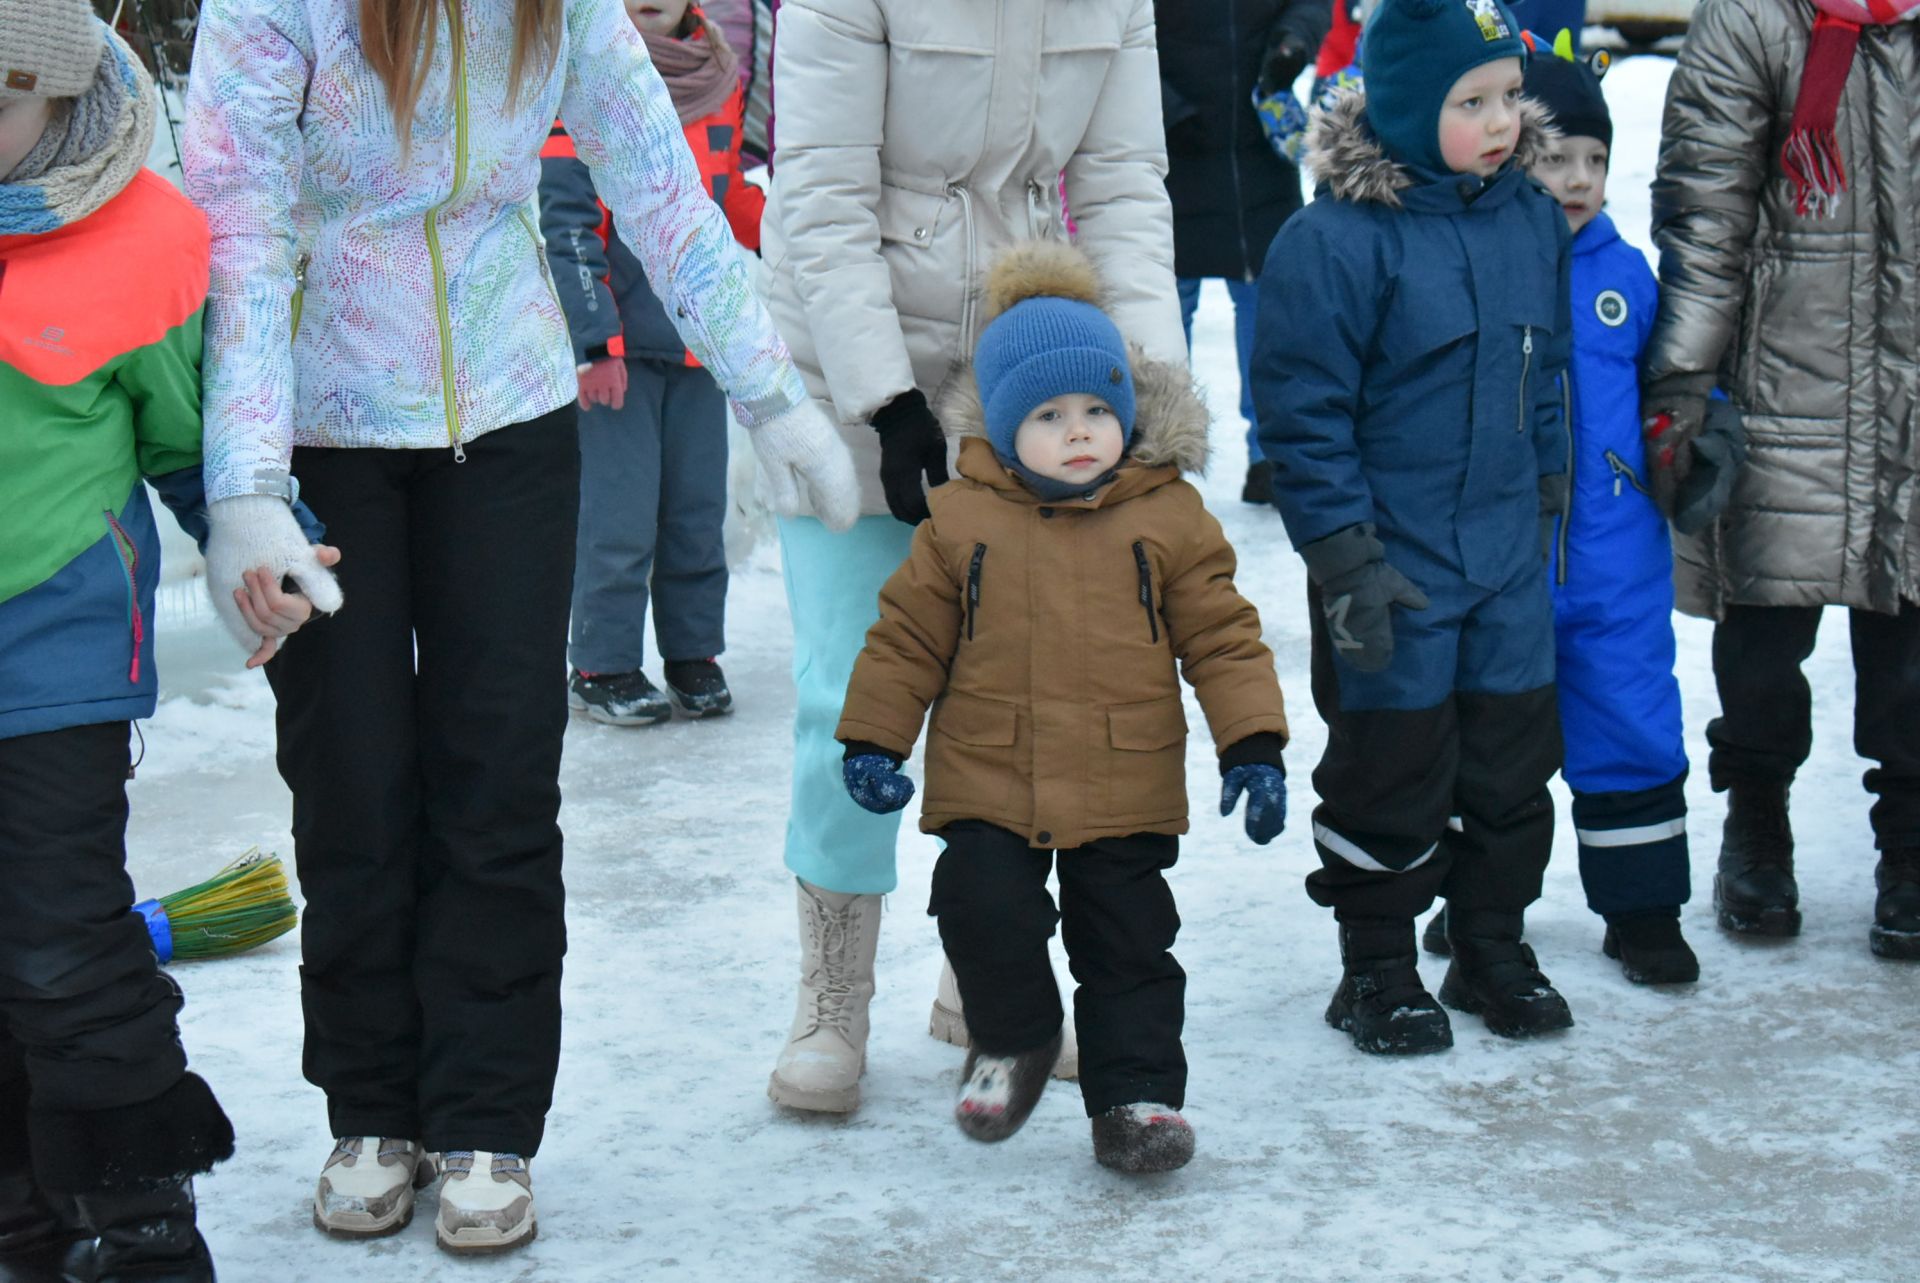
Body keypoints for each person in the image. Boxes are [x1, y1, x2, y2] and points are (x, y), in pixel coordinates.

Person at [182, 0, 858, 1254]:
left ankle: (488, 1113)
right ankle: (373, 1108)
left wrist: (772, 395)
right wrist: (245, 486)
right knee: (354, 776)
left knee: (497, 769)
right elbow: (241, 227)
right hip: (324, 428)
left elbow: (661, 194)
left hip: (509, 411)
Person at [760, 0, 1185, 1116]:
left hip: (1028, 378)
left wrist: (1150, 394)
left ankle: (988, 976)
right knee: (847, 690)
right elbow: (821, 193)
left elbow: (1126, 188)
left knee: (1027, 680)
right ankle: (833, 991)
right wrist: (886, 396)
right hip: (851, 372)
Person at [834, 242, 1290, 1172]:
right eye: (1048, 414)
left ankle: (1137, 1101)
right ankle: (1017, 1033)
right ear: (1004, 430)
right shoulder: (960, 523)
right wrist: (874, 739)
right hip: (990, 776)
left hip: (1125, 779)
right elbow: (905, 641)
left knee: (1129, 946)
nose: (1078, 430)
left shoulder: (1169, 518)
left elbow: (1224, 638)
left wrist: (1253, 743)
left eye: (1096, 409)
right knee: (976, 903)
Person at [0, 6, 325, 1278]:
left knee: (64, 939)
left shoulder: (130, 247)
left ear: (63, 102)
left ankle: (140, 1220)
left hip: (53, 653)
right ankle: (24, 1202)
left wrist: (260, 541)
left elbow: (195, 442)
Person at [1252, 0, 1574, 1057]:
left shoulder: (1527, 217)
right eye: (1469, 103)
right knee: (1392, 770)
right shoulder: (1336, 242)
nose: (1502, 122)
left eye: (1509, 97)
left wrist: (1547, 491)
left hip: (1505, 558)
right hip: (1394, 566)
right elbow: (1304, 415)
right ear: (1399, 107)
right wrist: (1345, 555)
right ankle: (1379, 963)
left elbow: (1550, 369)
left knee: (1514, 769)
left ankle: (1488, 942)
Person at [1426, 31, 1707, 986]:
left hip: (1614, 558)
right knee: (1490, 737)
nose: (1578, 179)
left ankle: (1642, 907)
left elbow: (1672, 386)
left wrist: (1683, 443)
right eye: (1556, 159)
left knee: (1629, 717)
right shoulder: (1481, 264)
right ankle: (1478, 901)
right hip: (1502, 559)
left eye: (1595, 160)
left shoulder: (1627, 277)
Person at [1645, 0, 1920, 961]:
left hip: (1913, 398)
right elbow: (1704, 215)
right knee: (1762, 632)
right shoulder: (1755, 23)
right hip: (1783, 385)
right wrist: (1681, 379)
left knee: (1912, 639)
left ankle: (1911, 842)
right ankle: (1757, 821)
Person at [541, 0, 762, 725]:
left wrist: (779, 229)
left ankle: (694, 654)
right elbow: (567, 224)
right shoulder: (582, 77)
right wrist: (593, 343)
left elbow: (723, 206)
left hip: (697, 342)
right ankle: (601, 664)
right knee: (619, 518)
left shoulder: (719, 81)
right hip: (622, 355)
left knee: (697, 513)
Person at [1155, 0, 1331, 506]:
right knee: (1164, 315)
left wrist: (1293, 41)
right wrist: (1164, 108)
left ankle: (1271, 456)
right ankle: (1162, 456)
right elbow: (1120, 30)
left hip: (1259, 157)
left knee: (1270, 315)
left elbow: (1312, 5)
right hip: (1173, 156)